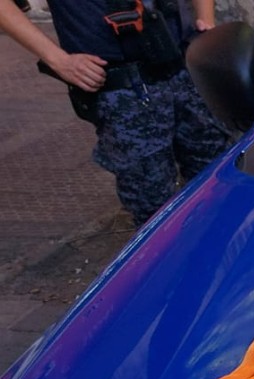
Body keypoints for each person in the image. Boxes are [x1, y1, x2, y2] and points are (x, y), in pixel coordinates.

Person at [0, 0, 231, 224]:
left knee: (218, 176)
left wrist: (205, 21)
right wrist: (58, 60)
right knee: (153, 206)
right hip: (125, 89)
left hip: (185, 68)